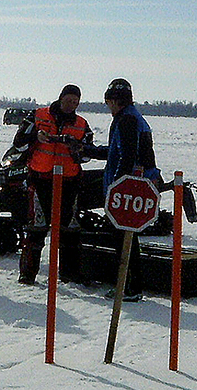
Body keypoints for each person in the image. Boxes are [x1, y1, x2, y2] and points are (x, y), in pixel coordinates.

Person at [10, 85, 94, 285]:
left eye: (75, 102)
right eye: (69, 100)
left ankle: (69, 273)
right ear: (61, 98)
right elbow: (18, 141)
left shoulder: (82, 124)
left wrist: (76, 147)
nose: (71, 105)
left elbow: (88, 153)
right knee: (36, 228)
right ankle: (28, 273)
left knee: (70, 230)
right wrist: (35, 137)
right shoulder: (38, 115)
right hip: (40, 180)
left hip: (69, 182)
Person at [100, 78, 160, 301]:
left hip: (128, 190)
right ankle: (130, 286)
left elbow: (126, 156)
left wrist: (116, 188)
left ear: (114, 101)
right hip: (133, 187)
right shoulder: (133, 117)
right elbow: (116, 152)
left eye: (109, 103)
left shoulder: (126, 120)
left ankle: (130, 288)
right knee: (128, 238)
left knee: (124, 240)